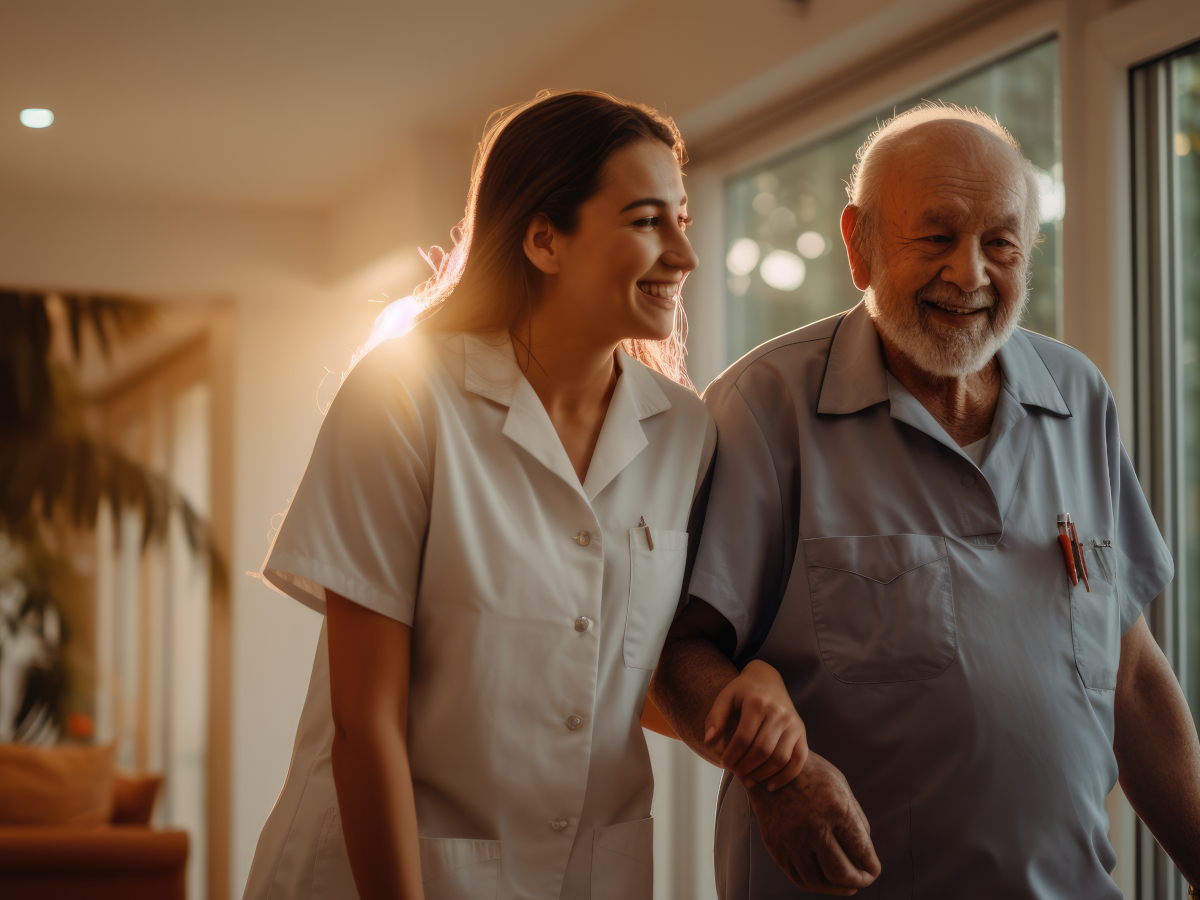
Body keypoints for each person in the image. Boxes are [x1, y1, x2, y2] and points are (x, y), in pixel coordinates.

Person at [241, 90, 805, 900]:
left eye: (683, 219)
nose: (684, 254)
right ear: (545, 238)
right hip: (392, 873)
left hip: (589, 873)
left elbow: (615, 678)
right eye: (648, 220)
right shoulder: (404, 397)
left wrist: (756, 692)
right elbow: (367, 724)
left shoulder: (683, 430)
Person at [650, 102, 1200, 898]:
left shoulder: (1079, 395)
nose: (971, 274)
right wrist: (775, 774)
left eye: (1000, 242)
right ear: (859, 243)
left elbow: (1134, 676)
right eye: (936, 237)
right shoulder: (762, 408)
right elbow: (675, 651)